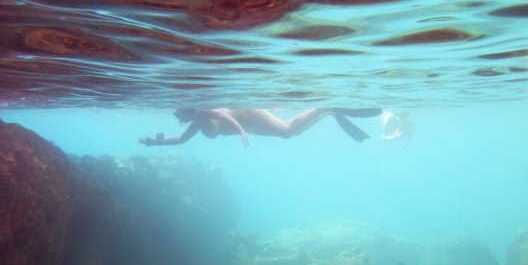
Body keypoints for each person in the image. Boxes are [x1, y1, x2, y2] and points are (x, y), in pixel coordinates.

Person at [140, 108, 382, 147]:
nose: (176, 116)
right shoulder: (195, 123)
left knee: (288, 131)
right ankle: (328, 110)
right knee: (288, 135)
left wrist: (242, 131)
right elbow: (181, 140)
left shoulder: (205, 112)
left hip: (250, 117)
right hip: (250, 125)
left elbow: (225, 116)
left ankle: (326, 107)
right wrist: (156, 143)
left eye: (178, 113)